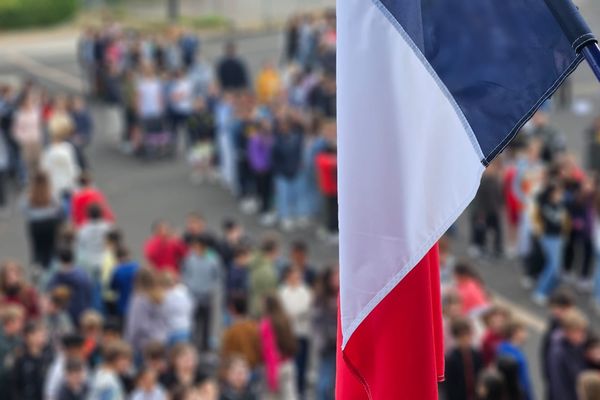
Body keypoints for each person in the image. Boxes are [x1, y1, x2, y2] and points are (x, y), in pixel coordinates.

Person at [181, 235, 222, 351]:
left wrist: (211, 288)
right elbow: (185, 272)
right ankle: (192, 344)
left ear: (204, 247)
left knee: (206, 322)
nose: (196, 249)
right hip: (192, 296)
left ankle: (205, 346)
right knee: (192, 322)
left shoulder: (213, 260)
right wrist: (188, 285)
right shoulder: (190, 258)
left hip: (206, 296)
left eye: (198, 246)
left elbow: (218, 277)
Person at [278, 268, 312, 397]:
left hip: (301, 332)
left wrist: (291, 314)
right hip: (286, 334)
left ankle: (300, 391)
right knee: (287, 364)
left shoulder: (304, 291)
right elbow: (280, 308)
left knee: (301, 364)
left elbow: (305, 307)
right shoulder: (282, 292)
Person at [532, 182, 568, 305]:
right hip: (548, 237)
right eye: (558, 192)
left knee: (556, 268)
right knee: (553, 266)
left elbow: (563, 221)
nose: (561, 195)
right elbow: (555, 221)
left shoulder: (559, 204)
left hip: (558, 238)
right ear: (552, 193)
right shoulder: (545, 205)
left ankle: (549, 291)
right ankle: (540, 291)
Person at [22, 171, 63, 269]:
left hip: (35, 224)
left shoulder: (29, 194)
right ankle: (52, 267)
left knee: (37, 247)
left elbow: (23, 208)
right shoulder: (51, 193)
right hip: (50, 222)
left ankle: (38, 267)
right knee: (52, 247)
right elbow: (58, 207)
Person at [260, 295, 298, 400]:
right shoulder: (285, 320)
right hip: (288, 364)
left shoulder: (266, 324)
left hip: (274, 367)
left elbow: (269, 350)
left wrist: (272, 379)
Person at [125, 268, 169, 355]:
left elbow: (136, 325)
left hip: (143, 345)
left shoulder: (139, 299)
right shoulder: (161, 298)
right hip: (161, 341)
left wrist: (128, 343)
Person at [547, 309, 589, 400]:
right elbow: (558, 386)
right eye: (578, 332)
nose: (582, 335)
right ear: (567, 332)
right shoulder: (558, 353)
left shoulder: (576, 345)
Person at [75, 203, 112, 305]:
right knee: (105, 287)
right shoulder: (107, 227)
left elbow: (80, 246)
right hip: (104, 260)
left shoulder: (83, 229)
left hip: (90, 262)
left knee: (92, 288)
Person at [272, 116, 304, 232]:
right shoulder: (276, 140)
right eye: (282, 125)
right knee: (283, 196)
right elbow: (274, 159)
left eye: (286, 125)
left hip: (294, 171)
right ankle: (284, 217)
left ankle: (294, 214)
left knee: (294, 195)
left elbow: (298, 153)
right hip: (282, 173)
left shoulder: (296, 137)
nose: (284, 127)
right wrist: (278, 172)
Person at [541, 289, 575, 395]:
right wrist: (547, 374)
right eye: (553, 308)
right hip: (554, 378)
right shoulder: (554, 323)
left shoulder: (577, 326)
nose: (555, 311)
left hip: (570, 382)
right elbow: (545, 349)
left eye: (560, 308)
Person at [41, 114, 80, 206]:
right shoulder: (67, 148)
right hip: (68, 185)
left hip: (55, 186)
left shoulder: (48, 152)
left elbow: (45, 170)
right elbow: (72, 170)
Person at [47, 248, 94, 325]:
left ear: (60, 260)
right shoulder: (82, 274)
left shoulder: (59, 276)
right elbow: (89, 292)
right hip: (82, 312)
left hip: (65, 315)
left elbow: (49, 291)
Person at [10, 321, 54, 400]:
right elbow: (14, 385)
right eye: (39, 334)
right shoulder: (20, 357)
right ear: (28, 336)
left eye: (43, 335)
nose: (42, 337)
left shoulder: (50, 356)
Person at [313, 267, 338, 400]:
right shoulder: (322, 299)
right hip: (327, 346)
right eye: (335, 276)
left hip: (338, 345)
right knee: (325, 382)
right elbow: (319, 323)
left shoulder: (341, 295)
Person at [443, 318, 484, 400]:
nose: (466, 339)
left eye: (468, 335)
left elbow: (480, 374)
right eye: (462, 336)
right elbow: (449, 385)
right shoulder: (452, 358)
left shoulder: (476, 354)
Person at [470, 160, 504, 257]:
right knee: (480, 230)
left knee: (497, 231)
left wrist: (499, 206)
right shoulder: (482, 181)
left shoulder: (496, 180)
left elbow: (499, 196)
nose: (492, 169)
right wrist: (481, 213)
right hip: (483, 211)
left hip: (493, 210)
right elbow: (479, 199)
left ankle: (497, 249)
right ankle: (478, 247)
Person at [221, 295, 261, 371]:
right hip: (254, 370)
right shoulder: (255, 327)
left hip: (235, 372)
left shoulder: (231, 331)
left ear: (232, 309)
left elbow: (225, 356)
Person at [496, 321, 534, 400]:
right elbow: (524, 383)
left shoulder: (503, 349)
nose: (526, 334)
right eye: (523, 331)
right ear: (515, 333)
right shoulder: (514, 355)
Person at [45, 333, 87, 400]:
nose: (78, 352)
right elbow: (49, 395)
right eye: (75, 349)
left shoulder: (83, 363)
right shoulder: (58, 368)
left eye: (79, 349)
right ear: (68, 349)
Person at [12, 91, 42, 180]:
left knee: (38, 162)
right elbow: (16, 130)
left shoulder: (35, 111)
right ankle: (31, 183)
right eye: (28, 100)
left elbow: (38, 125)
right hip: (26, 142)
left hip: (36, 140)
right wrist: (23, 139)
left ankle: (39, 182)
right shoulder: (19, 114)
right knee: (28, 164)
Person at [159, 271, 194, 345]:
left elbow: (163, 314)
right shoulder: (184, 292)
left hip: (170, 330)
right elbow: (191, 307)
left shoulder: (165, 296)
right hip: (185, 328)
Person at [249, 235, 279, 317]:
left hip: (252, 306)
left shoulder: (255, 262)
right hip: (263, 311)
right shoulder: (268, 271)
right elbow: (270, 295)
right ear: (273, 251)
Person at [0, 305, 25, 399]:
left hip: (12, 386)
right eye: (19, 321)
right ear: (10, 322)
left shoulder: (18, 340)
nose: (21, 325)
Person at [109, 246, 140, 318]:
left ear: (117, 257)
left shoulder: (117, 271)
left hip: (122, 305)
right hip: (136, 304)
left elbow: (112, 287)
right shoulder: (137, 267)